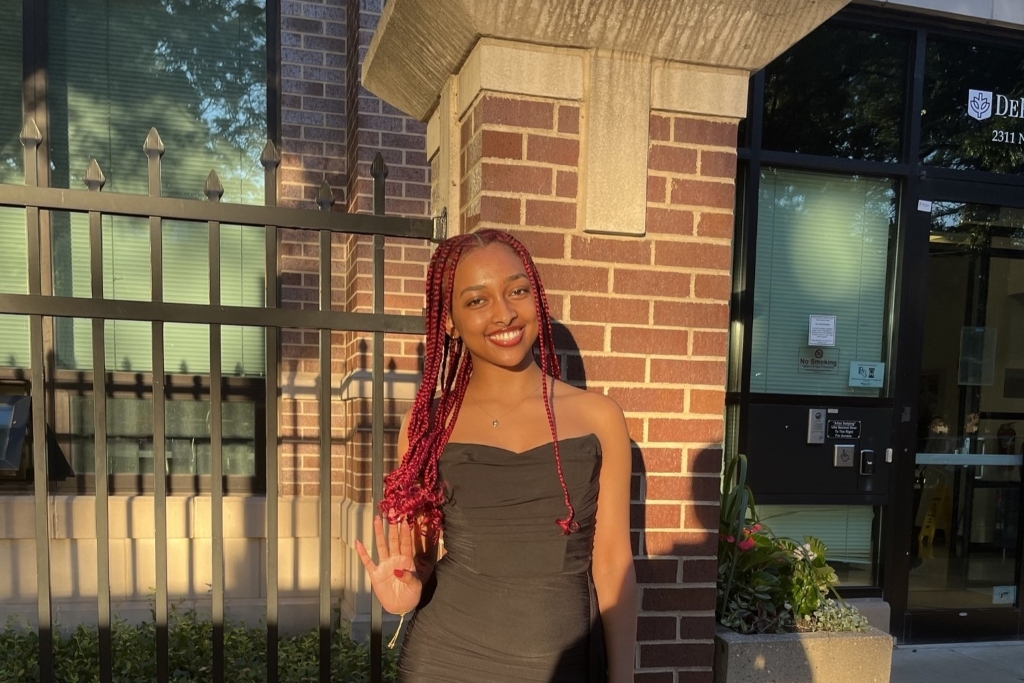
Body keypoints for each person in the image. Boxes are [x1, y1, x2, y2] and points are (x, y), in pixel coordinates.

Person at [354, 229, 637, 682]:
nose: (505, 313)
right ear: (448, 321)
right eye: (477, 300)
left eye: (517, 291)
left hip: (562, 661)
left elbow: (613, 564)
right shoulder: (430, 423)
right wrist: (407, 592)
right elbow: (421, 559)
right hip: (446, 659)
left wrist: (622, 677)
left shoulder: (600, 418)